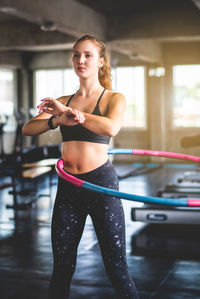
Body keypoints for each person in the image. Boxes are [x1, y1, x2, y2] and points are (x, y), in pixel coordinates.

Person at [22, 34, 139, 299]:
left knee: (117, 269)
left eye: (87, 55)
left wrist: (71, 113)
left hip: (102, 186)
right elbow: (28, 128)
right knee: (61, 269)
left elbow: (111, 127)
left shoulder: (113, 98)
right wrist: (57, 120)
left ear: (100, 61)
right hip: (68, 189)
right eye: (76, 54)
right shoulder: (64, 99)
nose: (81, 60)